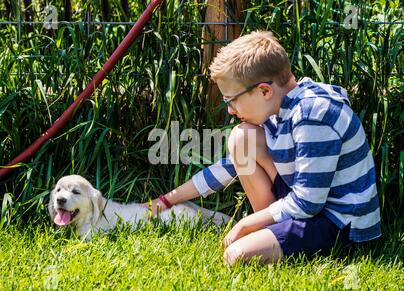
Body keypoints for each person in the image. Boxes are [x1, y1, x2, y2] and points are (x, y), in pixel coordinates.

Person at [144, 30, 381, 265]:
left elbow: (309, 203)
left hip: (340, 224)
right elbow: (230, 167)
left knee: (235, 255)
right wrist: (167, 200)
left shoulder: (313, 116)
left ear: (264, 90)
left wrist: (247, 223)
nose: (230, 110)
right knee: (242, 138)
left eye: (231, 100)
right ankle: (271, 233)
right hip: (308, 207)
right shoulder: (278, 109)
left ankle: (271, 236)